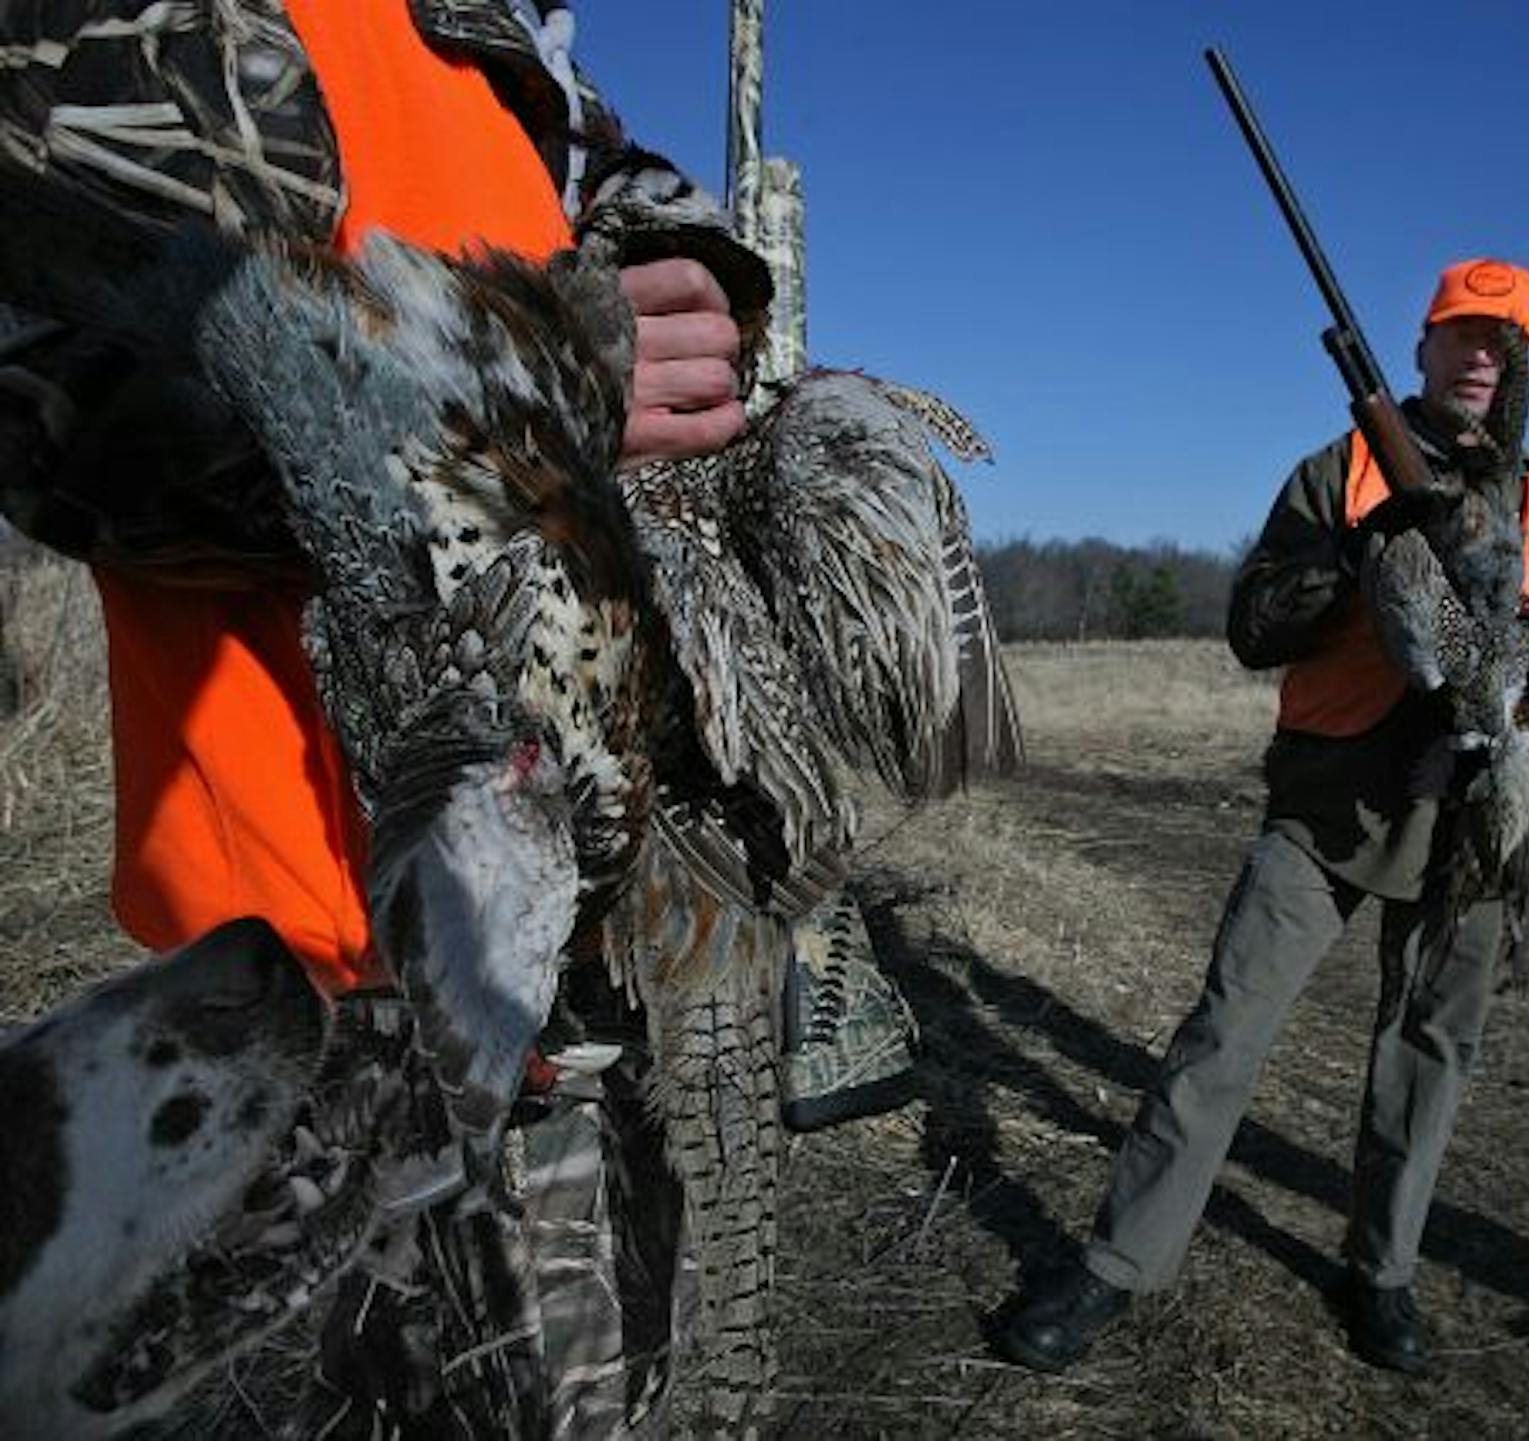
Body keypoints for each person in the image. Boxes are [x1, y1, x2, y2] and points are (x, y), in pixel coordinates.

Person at [0, 0, 896, 1428]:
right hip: (351, 985)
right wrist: (555, 386)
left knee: (641, 1377)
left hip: (599, 941)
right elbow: (61, 394)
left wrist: (680, 270)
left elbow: (616, 187)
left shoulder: (505, 42)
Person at [996, 257, 1529, 1376]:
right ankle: (1118, 1263)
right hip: (1329, 805)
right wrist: (1361, 559)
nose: (1481, 358)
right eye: (1462, 335)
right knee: (1225, 1031)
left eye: (1505, 344)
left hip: (1478, 818)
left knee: (1430, 1048)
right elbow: (1251, 624)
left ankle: (1380, 1273)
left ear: (1526, 367)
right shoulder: (1342, 472)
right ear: (1423, 347)